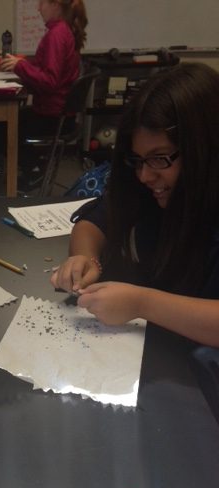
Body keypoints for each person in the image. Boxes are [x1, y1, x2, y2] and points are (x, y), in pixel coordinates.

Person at [51, 62, 219, 347]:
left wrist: (142, 303)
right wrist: (85, 258)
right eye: (138, 160)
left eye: (159, 158)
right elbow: (95, 220)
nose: (145, 176)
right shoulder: (146, 187)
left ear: (205, 148)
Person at [0, 0, 88, 190]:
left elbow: (49, 81)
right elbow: (49, 69)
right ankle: (35, 165)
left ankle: (35, 168)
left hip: (53, 117)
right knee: (5, 123)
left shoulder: (56, 34)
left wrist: (20, 66)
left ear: (56, 5)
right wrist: (23, 64)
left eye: (42, 3)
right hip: (60, 113)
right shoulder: (62, 30)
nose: (39, 8)